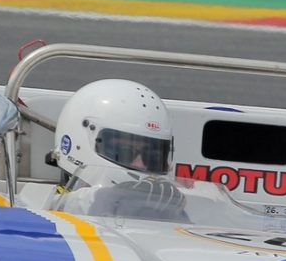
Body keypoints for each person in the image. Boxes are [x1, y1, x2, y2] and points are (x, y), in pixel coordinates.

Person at [53, 79, 186, 219]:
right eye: (124, 150)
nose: (139, 164)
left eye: (152, 155)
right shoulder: (42, 204)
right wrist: (107, 198)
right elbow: (59, 206)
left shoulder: (171, 208)